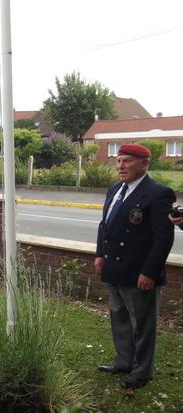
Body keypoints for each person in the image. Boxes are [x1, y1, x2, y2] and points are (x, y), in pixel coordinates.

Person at [94, 143, 175, 390]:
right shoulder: (115, 189)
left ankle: (142, 372)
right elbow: (104, 225)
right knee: (119, 319)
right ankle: (124, 362)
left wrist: (149, 272)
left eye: (127, 161)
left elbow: (163, 238)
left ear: (145, 164)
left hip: (139, 272)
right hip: (115, 268)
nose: (121, 166)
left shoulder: (158, 193)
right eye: (119, 161)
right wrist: (100, 254)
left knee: (142, 325)